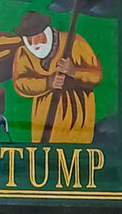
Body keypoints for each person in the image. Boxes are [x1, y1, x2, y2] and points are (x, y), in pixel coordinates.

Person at [12, 10, 103, 144]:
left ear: (46, 32)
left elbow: (96, 75)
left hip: (75, 118)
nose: (34, 43)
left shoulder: (74, 42)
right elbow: (20, 83)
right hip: (43, 121)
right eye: (29, 39)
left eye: (37, 37)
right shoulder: (23, 53)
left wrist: (74, 72)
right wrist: (47, 82)